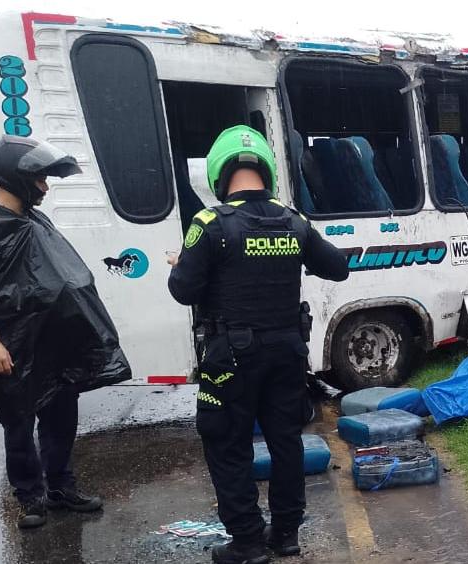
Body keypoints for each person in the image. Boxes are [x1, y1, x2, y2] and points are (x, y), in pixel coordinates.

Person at [168, 125, 349, 563]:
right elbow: (338, 268)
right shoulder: (294, 220)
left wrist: (184, 261)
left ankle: (248, 542)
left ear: (218, 172)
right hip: (287, 353)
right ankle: (286, 534)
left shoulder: (209, 223)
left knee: (227, 444)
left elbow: (183, 290)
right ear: (264, 169)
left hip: (230, 358)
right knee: (286, 442)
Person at [0, 135, 129, 529]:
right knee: (19, 421)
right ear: (16, 176)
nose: (45, 187)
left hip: (53, 343)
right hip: (12, 347)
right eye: (41, 178)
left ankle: (61, 487)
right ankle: (31, 496)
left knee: (61, 416)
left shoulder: (35, 220)